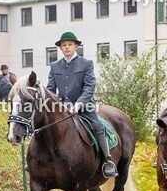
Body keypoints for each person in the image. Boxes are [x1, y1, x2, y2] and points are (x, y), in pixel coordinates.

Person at [46, 32, 117, 178]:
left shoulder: (86, 64)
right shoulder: (54, 66)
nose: (66, 48)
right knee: (44, 126)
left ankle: (107, 160)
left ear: (76, 46)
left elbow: (89, 87)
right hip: (61, 106)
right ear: (60, 48)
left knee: (98, 126)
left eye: (70, 45)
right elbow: (51, 90)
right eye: (64, 45)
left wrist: (78, 104)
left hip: (84, 106)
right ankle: (40, 161)